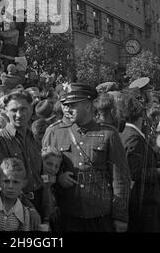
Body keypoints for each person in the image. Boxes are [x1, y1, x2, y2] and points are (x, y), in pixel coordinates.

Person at [42, 83, 130, 232]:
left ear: (88, 106)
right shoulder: (56, 132)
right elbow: (43, 173)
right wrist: (58, 178)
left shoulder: (109, 133)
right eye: (66, 105)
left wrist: (120, 216)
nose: (68, 109)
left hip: (100, 215)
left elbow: (120, 177)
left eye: (73, 105)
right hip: (67, 214)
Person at [0, 89, 43, 217]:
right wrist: (29, 209)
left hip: (40, 201)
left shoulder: (33, 138)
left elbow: (40, 175)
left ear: (31, 109)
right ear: (6, 112)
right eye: (14, 110)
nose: (19, 114)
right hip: (16, 207)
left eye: (23, 109)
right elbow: (4, 184)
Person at [120, 92, 160, 232]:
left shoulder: (129, 133)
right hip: (142, 204)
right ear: (141, 115)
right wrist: (157, 172)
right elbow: (135, 173)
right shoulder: (133, 137)